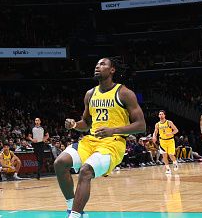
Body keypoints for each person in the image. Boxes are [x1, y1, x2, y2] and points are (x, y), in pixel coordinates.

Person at [54, 57, 146, 218]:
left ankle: (74, 216)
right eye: (97, 64)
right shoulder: (90, 94)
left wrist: (113, 130)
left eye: (103, 64)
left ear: (112, 70)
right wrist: (74, 124)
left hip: (113, 144)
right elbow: (87, 123)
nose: (98, 66)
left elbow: (141, 125)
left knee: (85, 171)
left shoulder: (124, 93)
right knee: (60, 163)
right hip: (91, 141)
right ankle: (73, 208)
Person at [152, 110, 179, 175]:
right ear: (158, 116)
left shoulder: (169, 122)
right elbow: (155, 132)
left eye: (162, 114)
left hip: (170, 141)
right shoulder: (157, 124)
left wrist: (171, 133)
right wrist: (154, 137)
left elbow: (176, 130)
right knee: (164, 155)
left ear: (164, 115)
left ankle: (175, 162)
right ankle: (167, 169)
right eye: (160, 114)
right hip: (162, 141)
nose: (161, 115)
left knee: (171, 155)